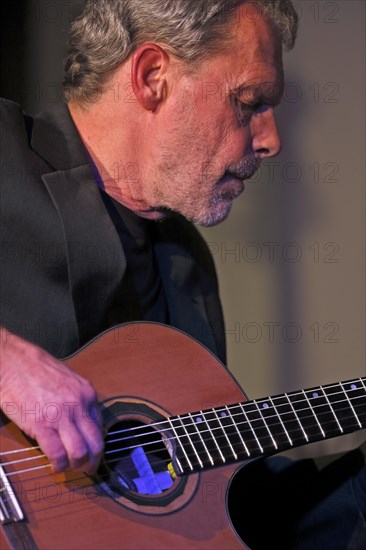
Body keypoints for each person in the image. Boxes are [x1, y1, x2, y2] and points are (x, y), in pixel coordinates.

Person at [0, 1, 364, 548]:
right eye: (249, 103)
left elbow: (213, 502)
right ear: (152, 77)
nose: (270, 140)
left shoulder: (185, 261)